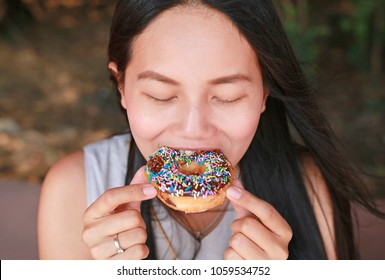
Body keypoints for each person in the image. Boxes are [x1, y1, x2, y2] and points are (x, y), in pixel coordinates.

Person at [37, 0, 382, 260]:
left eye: (227, 97)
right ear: (121, 85)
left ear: (264, 93)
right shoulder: (75, 190)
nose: (193, 129)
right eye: (162, 95)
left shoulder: (307, 188)